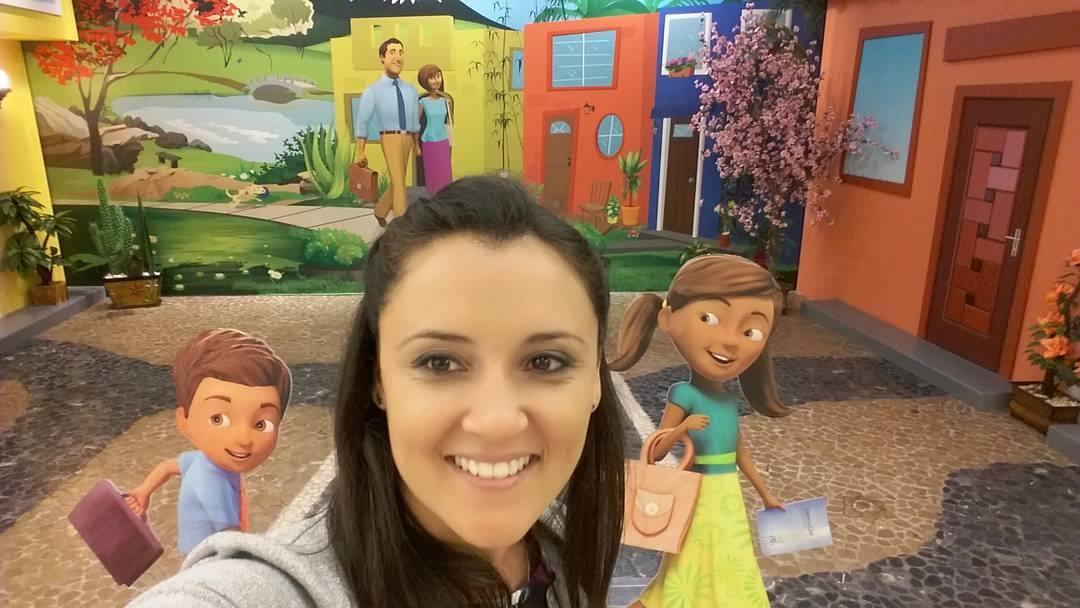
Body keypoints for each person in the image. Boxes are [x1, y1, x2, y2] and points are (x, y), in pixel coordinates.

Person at [126, 176, 625, 607]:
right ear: (377, 379)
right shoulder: (269, 591)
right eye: (439, 362)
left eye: (546, 362)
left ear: (594, 383)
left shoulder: (557, 558)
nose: (496, 420)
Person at [609, 254, 791, 608]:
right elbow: (657, 450)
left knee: (732, 553)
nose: (731, 342)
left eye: (751, 332)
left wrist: (765, 494)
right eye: (709, 318)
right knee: (691, 558)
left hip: (728, 495)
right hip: (697, 492)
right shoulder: (684, 394)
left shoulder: (727, 400)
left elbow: (739, 451)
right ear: (667, 318)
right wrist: (683, 428)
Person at [125, 328, 292, 555]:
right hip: (210, 559)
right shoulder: (213, 483)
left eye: (261, 424)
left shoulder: (202, 461)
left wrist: (143, 491)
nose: (243, 439)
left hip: (194, 552)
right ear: (184, 421)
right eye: (218, 419)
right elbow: (232, 538)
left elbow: (167, 468)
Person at [353, 37, 421, 227]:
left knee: (397, 181)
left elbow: (414, 120)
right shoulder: (373, 90)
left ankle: (380, 211)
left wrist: (416, 144)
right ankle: (402, 226)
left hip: (408, 138)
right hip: (390, 137)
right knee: (399, 184)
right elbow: (363, 121)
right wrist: (361, 151)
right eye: (392, 52)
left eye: (400, 52)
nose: (397, 57)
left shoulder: (410, 90)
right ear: (382, 58)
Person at [416, 63, 454, 194]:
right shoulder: (422, 102)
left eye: (438, 76)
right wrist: (416, 146)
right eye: (432, 77)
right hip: (429, 141)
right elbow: (416, 125)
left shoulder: (446, 101)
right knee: (432, 175)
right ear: (424, 81)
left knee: (445, 174)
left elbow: (449, 123)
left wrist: (451, 142)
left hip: (443, 141)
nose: (436, 80)